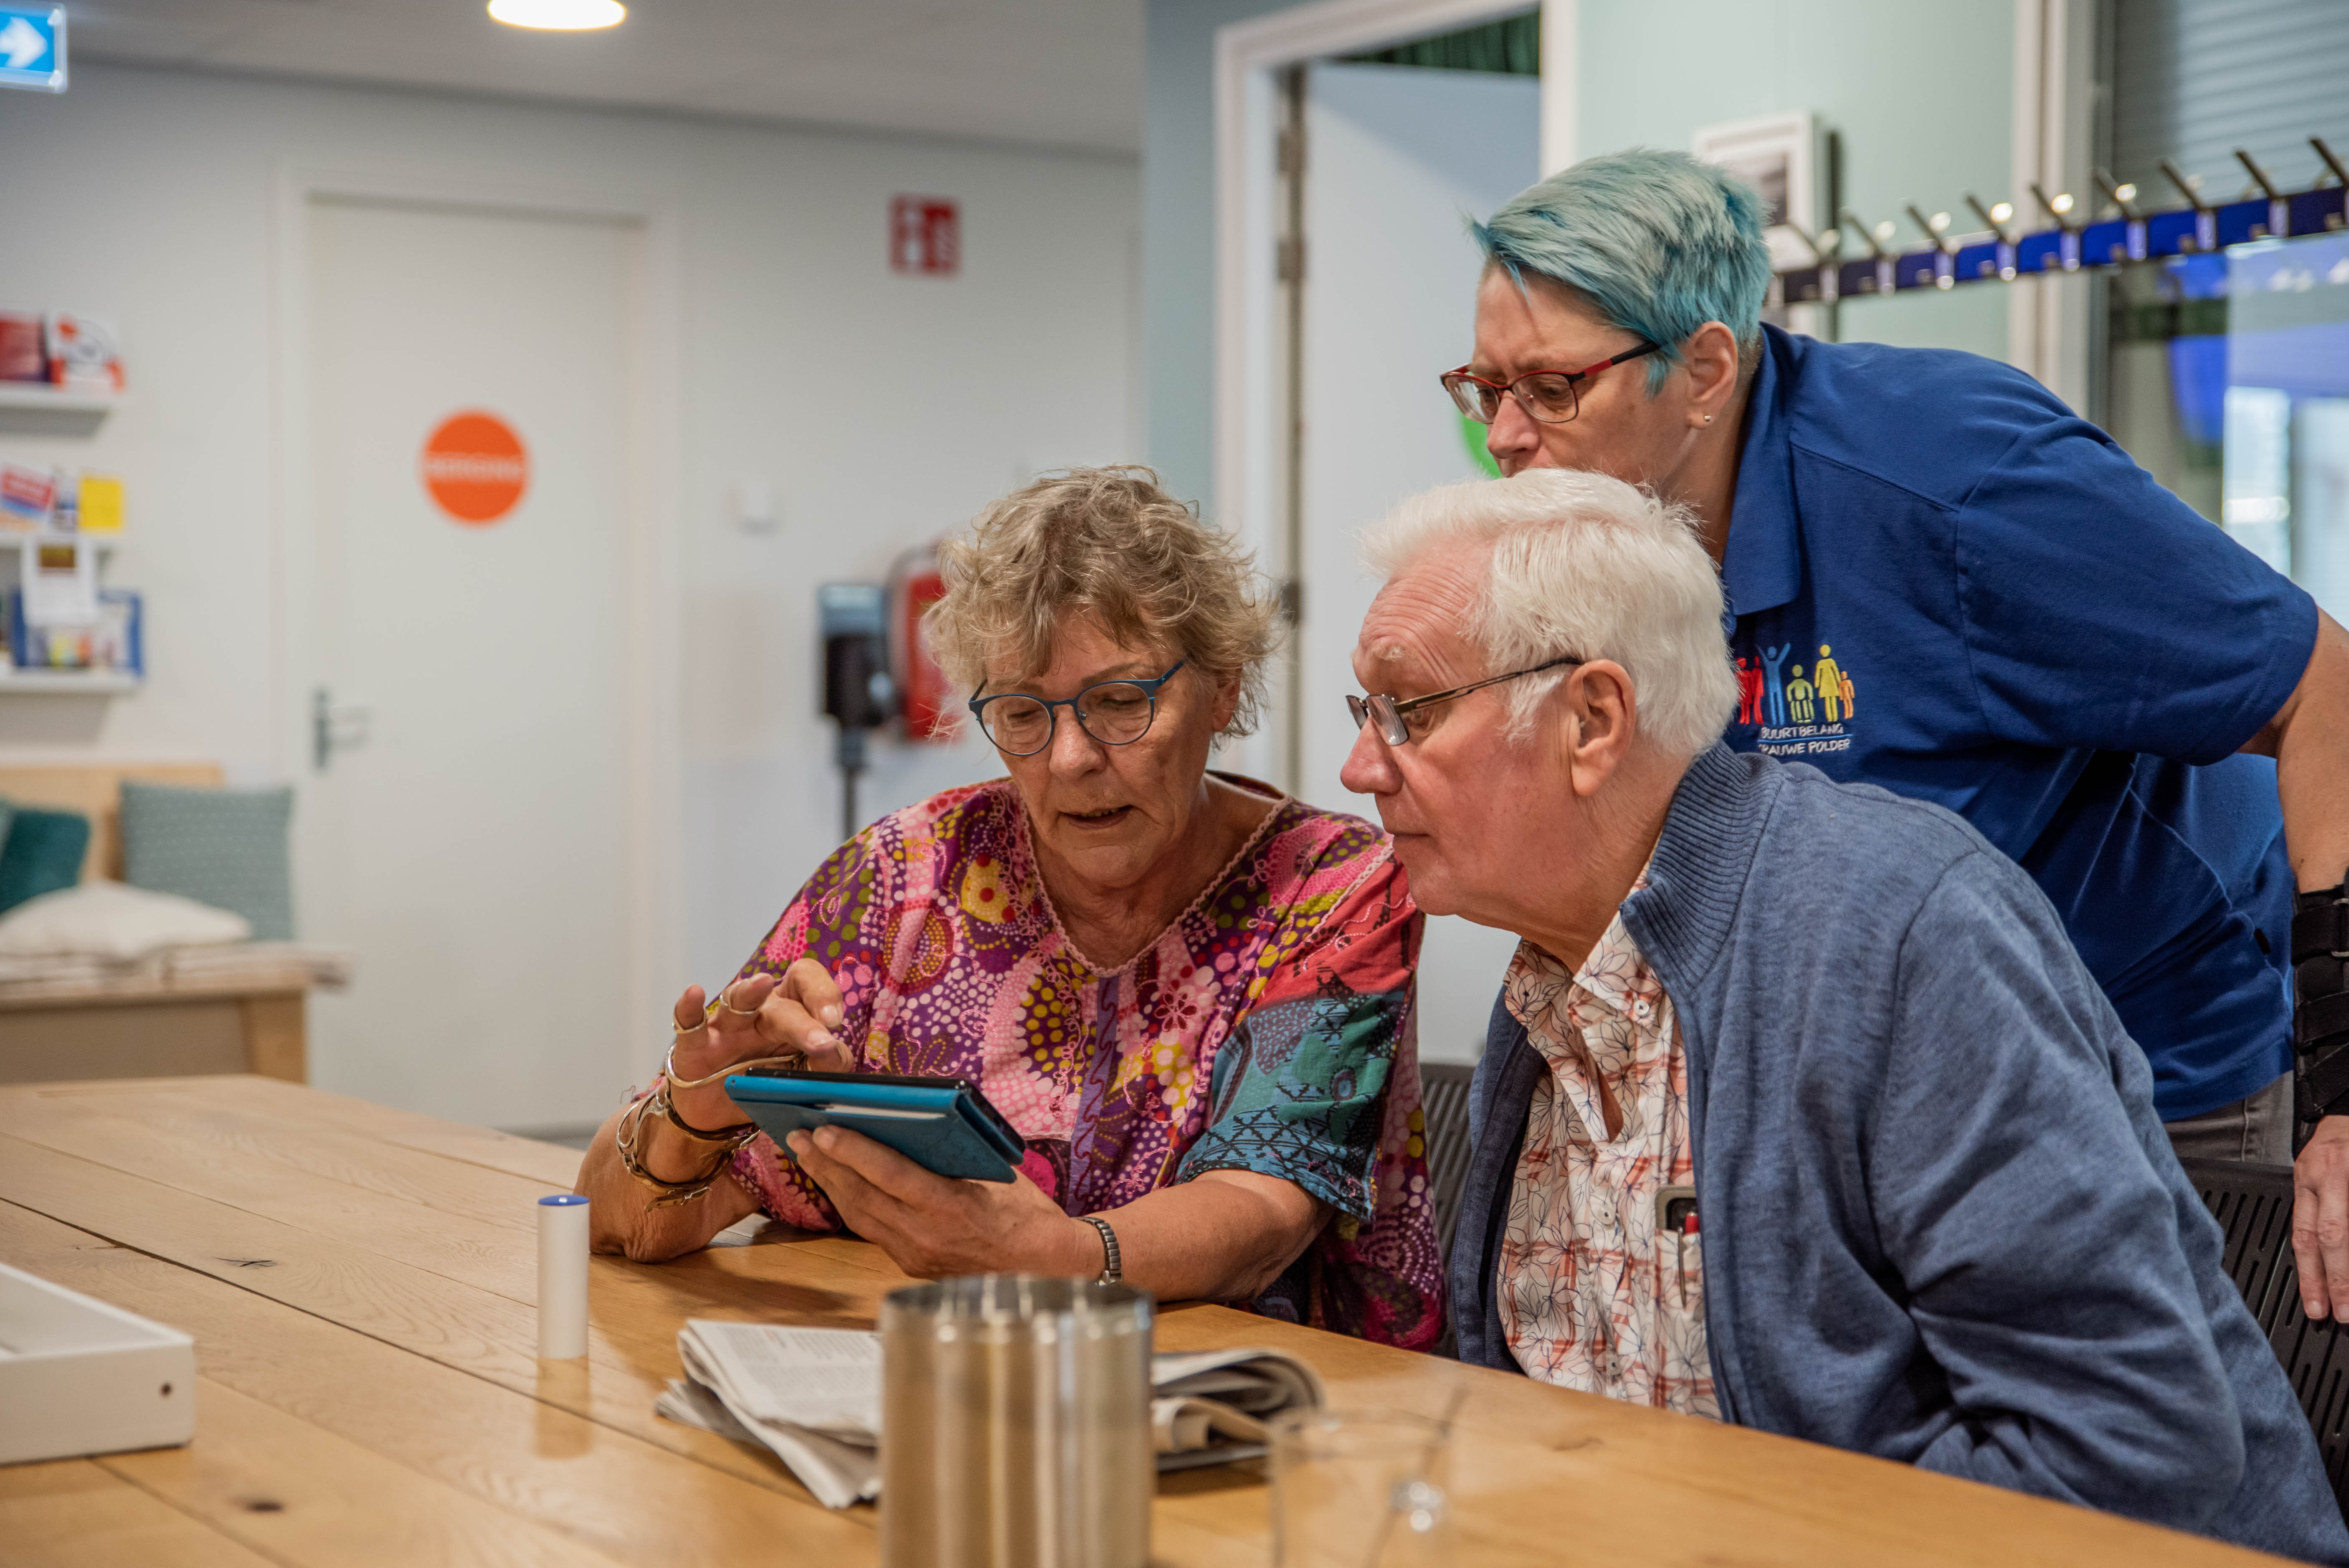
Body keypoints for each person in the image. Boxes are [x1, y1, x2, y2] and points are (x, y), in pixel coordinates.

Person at [1339, 469, 2346, 1561]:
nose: (1357, 768)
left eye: (1410, 711)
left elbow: (2128, 1453)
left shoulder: (1900, 932)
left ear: (1592, 720)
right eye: (1364, 713)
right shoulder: (1549, 981)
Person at [1447, 147, 2349, 1322]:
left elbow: (2323, 686)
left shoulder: (1956, 485)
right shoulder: (1601, 533)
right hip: (1887, 1084)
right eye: (1483, 389)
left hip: (2143, 1063)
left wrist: (2342, 1085)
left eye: (1549, 389)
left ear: (1704, 369)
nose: (1503, 437)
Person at [576, 466, 1442, 1348]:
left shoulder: (1330, 885)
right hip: (930, 1378)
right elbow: (617, 1221)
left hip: (1255, 1393)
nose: (1069, 759)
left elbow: (1264, 1208)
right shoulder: (904, 874)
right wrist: (694, 1108)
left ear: (1222, 687)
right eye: (1023, 715)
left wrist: (1058, 1257)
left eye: (1119, 703)